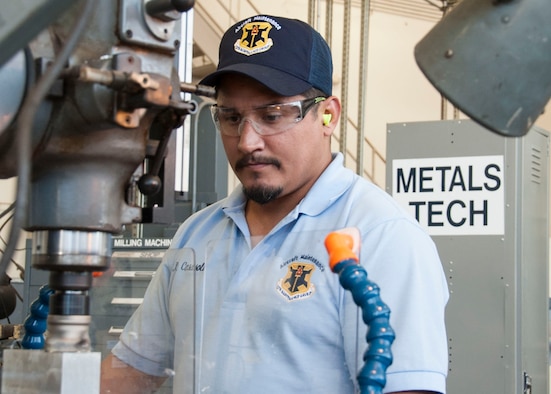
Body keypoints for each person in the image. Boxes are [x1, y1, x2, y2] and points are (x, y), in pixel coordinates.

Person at [101, 14, 449, 394]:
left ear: (328, 114)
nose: (247, 141)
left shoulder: (381, 235)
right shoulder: (198, 234)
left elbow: (406, 387)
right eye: (231, 117)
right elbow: (133, 370)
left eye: (272, 115)